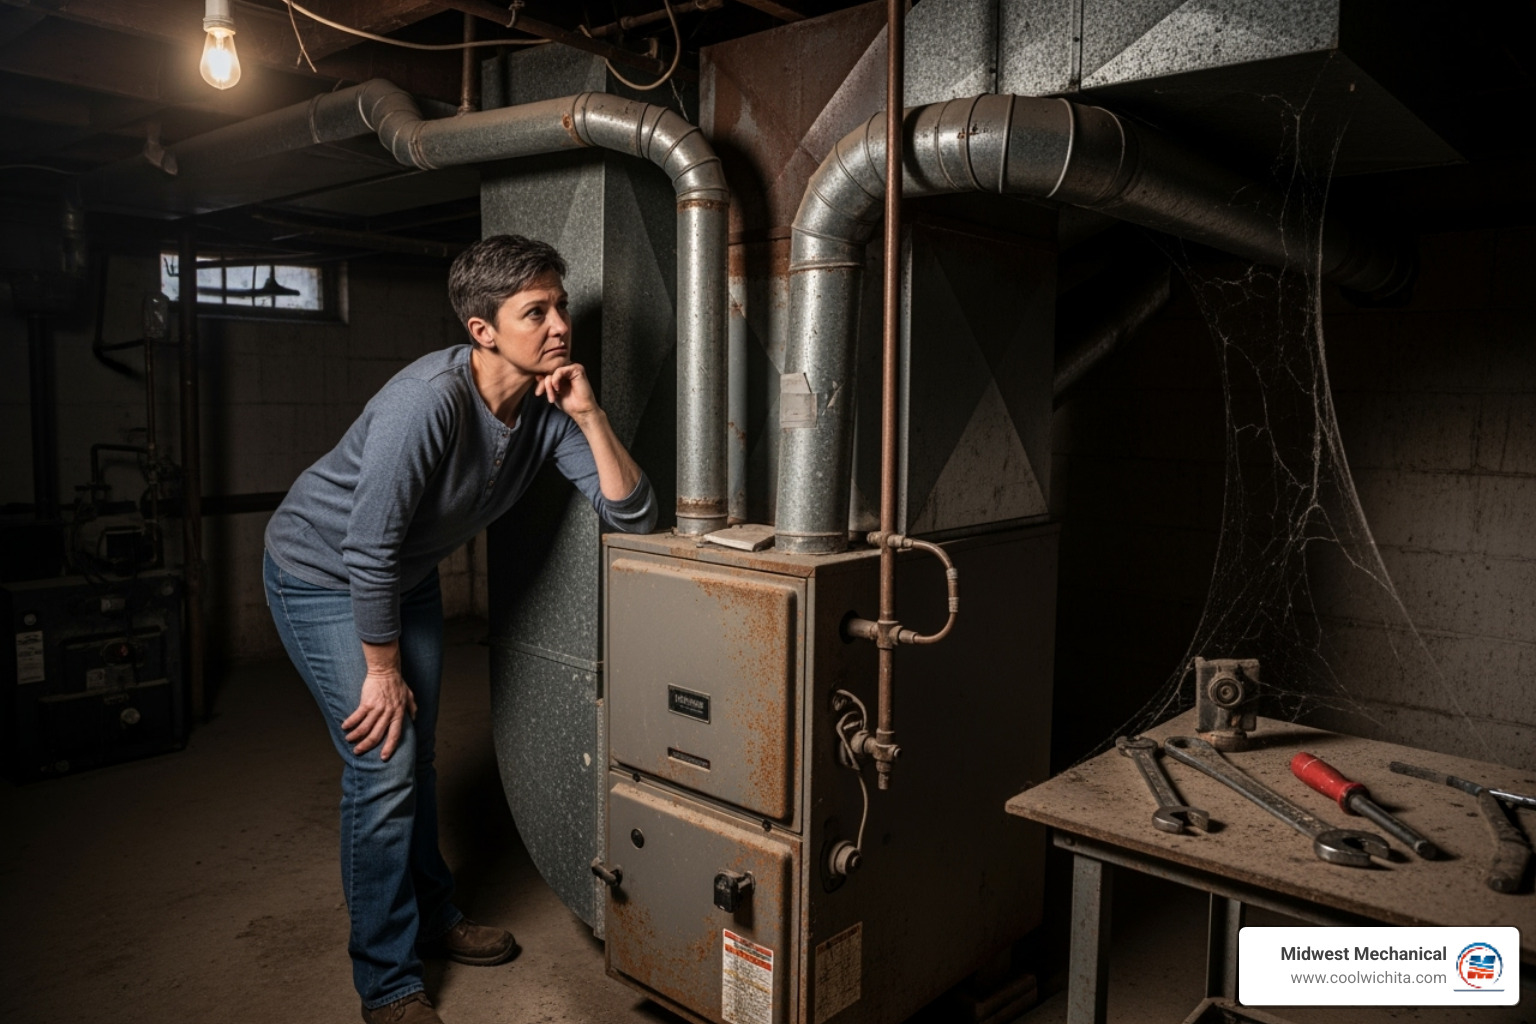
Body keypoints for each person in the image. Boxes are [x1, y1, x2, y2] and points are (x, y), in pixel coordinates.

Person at [262, 234, 656, 1024]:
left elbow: (634, 517)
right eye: (534, 312)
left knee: (419, 759)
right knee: (384, 765)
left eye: (559, 306)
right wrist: (382, 669)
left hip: (398, 582)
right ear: (483, 331)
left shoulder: (546, 410)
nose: (558, 327)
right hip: (320, 575)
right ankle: (388, 981)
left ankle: (435, 917)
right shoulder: (428, 402)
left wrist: (590, 413)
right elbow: (365, 546)